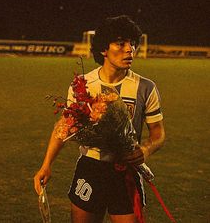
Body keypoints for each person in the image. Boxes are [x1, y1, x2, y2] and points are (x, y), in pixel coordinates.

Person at [34, 15, 165, 223]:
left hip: (126, 173)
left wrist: (146, 149)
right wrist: (46, 164)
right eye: (121, 44)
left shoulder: (145, 87)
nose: (129, 49)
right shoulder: (83, 84)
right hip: (90, 169)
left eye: (132, 44)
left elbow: (158, 133)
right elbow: (64, 127)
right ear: (104, 49)